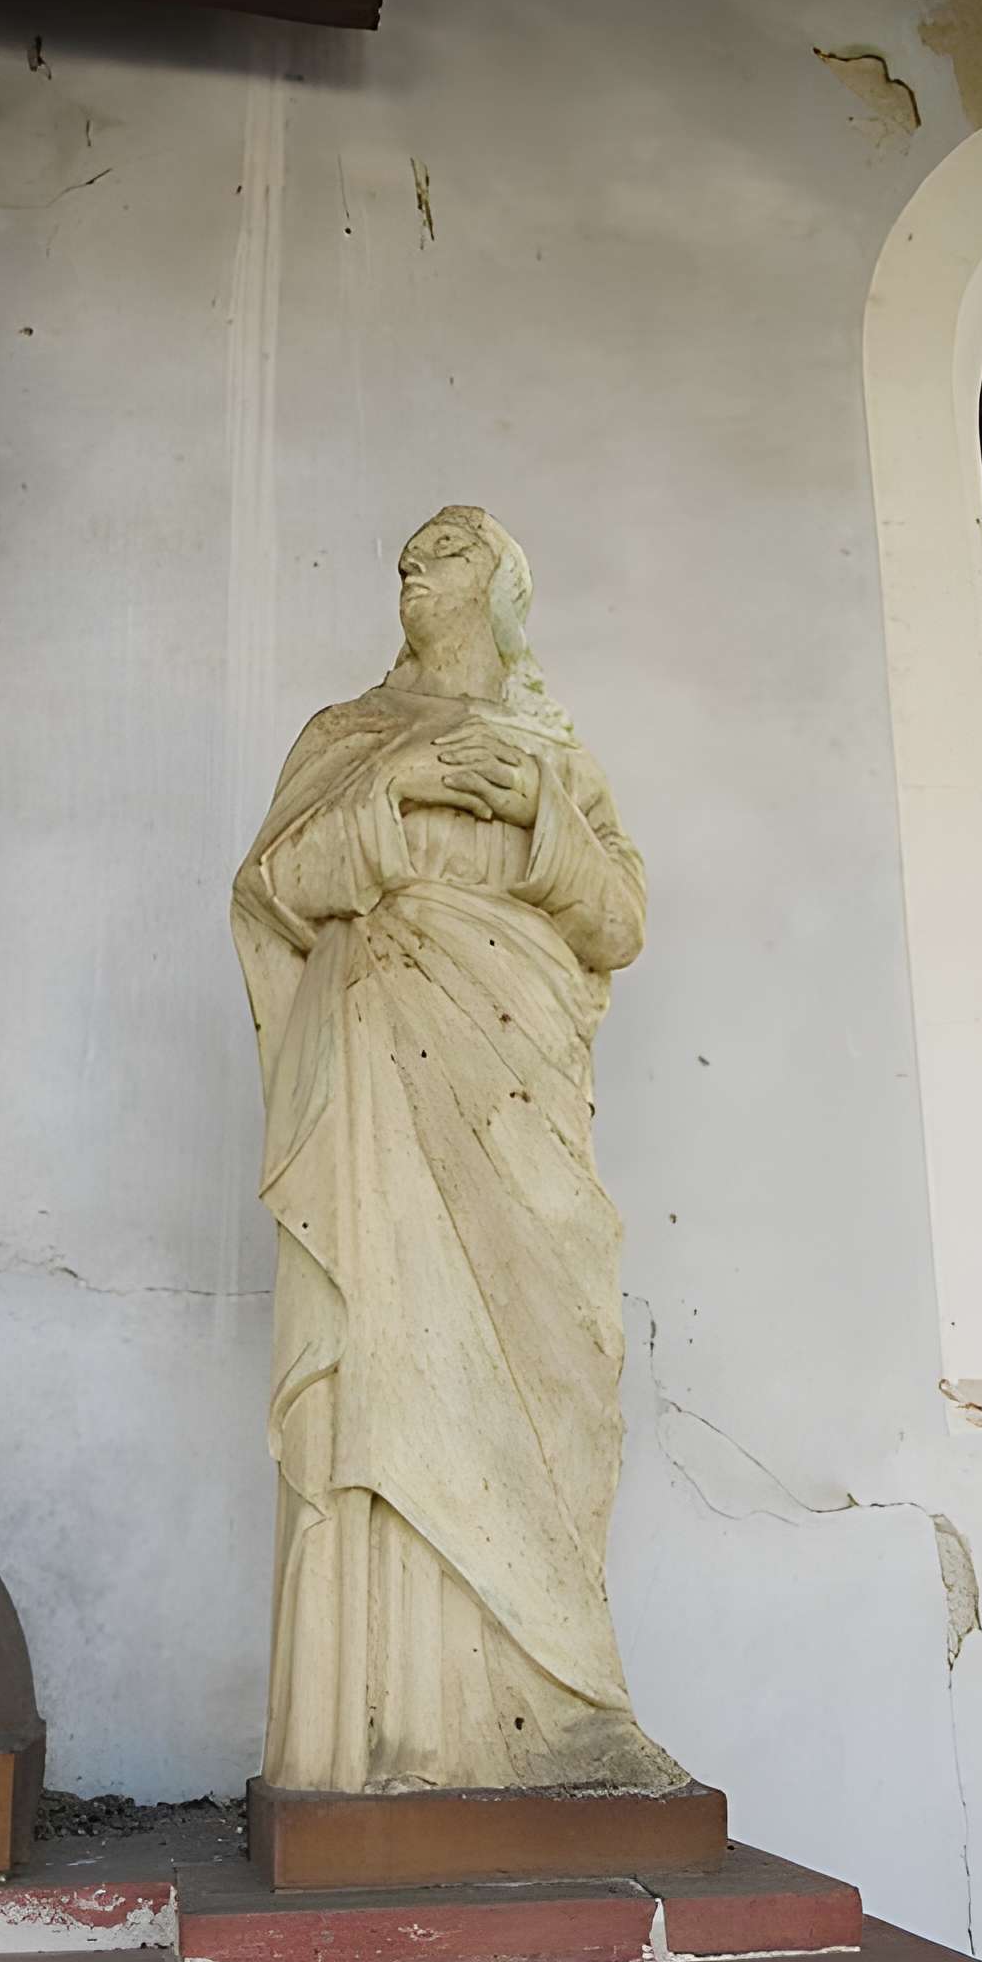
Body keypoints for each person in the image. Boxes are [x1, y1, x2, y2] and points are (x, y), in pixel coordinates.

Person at [233, 507, 686, 1796]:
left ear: (503, 593)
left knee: (553, 1368)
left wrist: (544, 816)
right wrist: (396, 795)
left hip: (518, 1084)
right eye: (410, 554)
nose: (415, 565)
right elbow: (273, 887)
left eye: (449, 550)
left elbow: (622, 919)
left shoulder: (559, 754)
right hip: (381, 1084)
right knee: (391, 1355)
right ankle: (388, 1727)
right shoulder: (344, 739)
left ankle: (562, 1706)